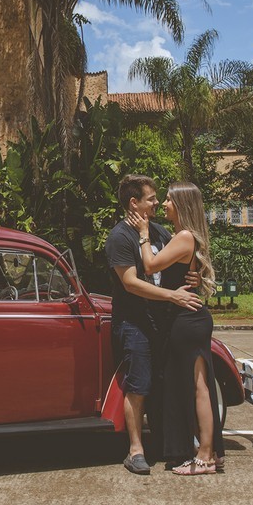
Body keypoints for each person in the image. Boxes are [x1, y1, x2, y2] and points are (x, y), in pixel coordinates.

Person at [105, 175, 203, 475]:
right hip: (134, 323)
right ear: (134, 203)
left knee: (165, 383)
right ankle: (135, 450)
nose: (157, 202)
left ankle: (166, 442)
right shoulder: (120, 237)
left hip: (163, 320)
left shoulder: (158, 232)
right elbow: (131, 283)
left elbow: (181, 260)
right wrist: (171, 296)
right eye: (151, 198)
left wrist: (194, 276)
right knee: (139, 384)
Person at [127, 181, 225, 475]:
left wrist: (144, 236)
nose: (164, 205)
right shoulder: (186, 236)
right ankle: (210, 454)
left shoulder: (183, 236)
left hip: (187, 319)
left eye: (168, 200)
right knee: (196, 386)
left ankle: (205, 456)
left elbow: (150, 267)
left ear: (181, 206)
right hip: (188, 317)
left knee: (198, 388)